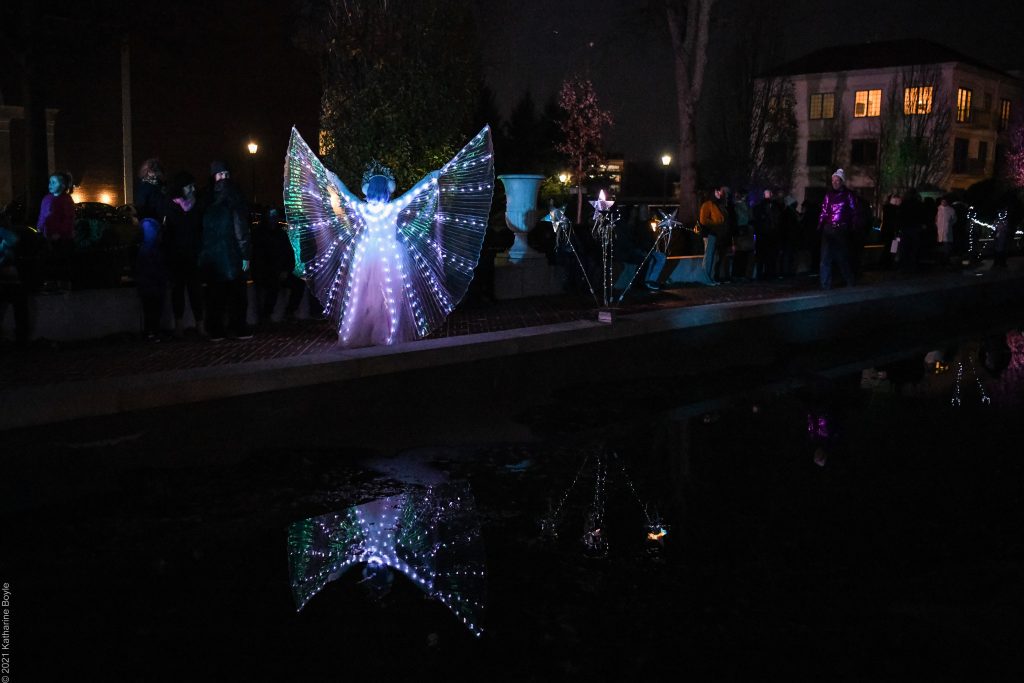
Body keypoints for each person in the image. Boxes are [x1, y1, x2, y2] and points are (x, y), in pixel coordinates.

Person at [199, 178, 252, 341]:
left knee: (215, 298)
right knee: (238, 297)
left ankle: (216, 330)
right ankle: (239, 328)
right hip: (231, 257)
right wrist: (245, 257)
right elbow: (241, 234)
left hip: (212, 260)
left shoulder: (209, 210)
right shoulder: (233, 208)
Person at [163, 171, 205, 337]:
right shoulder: (172, 207)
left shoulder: (197, 205)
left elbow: (201, 230)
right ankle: (179, 326)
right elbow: (168, 234)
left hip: (193, 255)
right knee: (178, 292)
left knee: (196, 292)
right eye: (189, 186)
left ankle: (200, 325)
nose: (193, 189)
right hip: (177, 256)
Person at [816, 168, 859, 289]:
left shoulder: (848, 195)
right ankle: (825, 285)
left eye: (837, 180)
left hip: (841, 229)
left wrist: (853, 227)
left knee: (842, 258)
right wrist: (820, 226)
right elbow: (824, 212)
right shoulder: (829, 195)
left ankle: (849, 280)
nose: (834, 182)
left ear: (841, 181)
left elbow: (854, 212)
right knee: (825, 258)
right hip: (829, 229)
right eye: (833, 180)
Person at [36, 172, 76, 290]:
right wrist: (39, 227)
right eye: (50, 182)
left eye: (54, 182)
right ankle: (50, 281)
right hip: (46, 235)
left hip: (62, 238)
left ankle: (63, 282)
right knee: (48, 259)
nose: (50, 184)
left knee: (60, 260)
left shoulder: (66, 200)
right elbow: (42, 215)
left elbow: (68, 219)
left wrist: (60, 233)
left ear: (63, 185)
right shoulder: (46, 198)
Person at [697, 187, 727, 285]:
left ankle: (709, 277)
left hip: (716, 234)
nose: (719, 193)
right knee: (709, 256)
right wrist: (716, 225)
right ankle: (705, 278)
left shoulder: (717, 204)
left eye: (719, 191)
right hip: (709, 233)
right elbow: (703, 220)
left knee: (713, 257)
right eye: (717, 191)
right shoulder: (707, 204)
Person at [935, 196, 956, 267]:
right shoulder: (938, 209)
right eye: (942, 201)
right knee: (940, 245)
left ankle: (946, 260)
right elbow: (936, 218)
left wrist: (949, 224)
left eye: (945, 201)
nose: (943, 203)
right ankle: (940, 260)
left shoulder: (951, 210)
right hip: (939, 229)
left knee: (946, 245)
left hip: (947, 230)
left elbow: (954, 219)